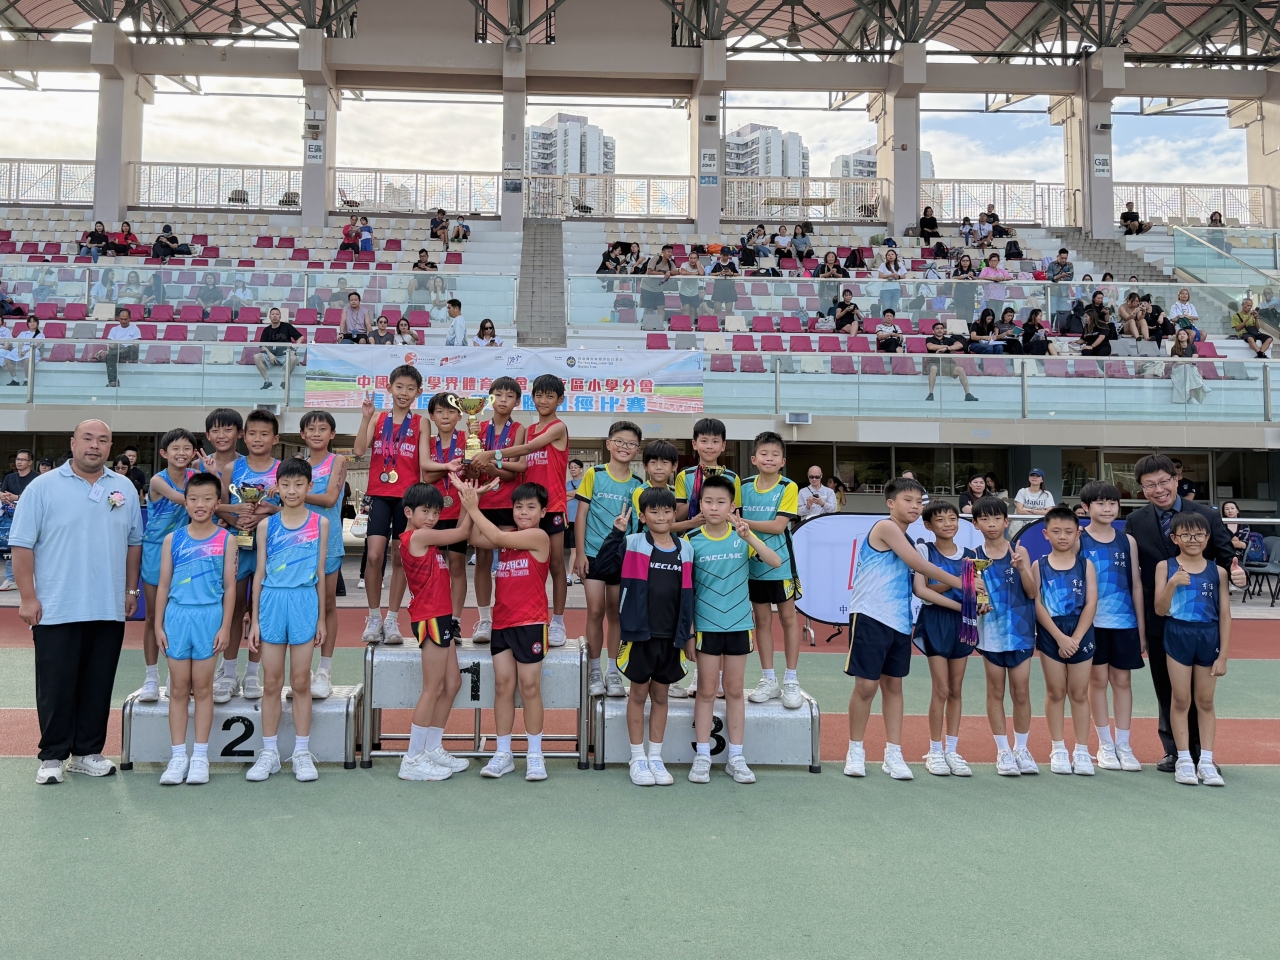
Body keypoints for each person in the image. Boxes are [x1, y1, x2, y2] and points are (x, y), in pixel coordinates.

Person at [12, 420, 143, 784]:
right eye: (87, 438)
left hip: (107, 606)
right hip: (57, 606)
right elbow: (21, 545)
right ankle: (52, 755)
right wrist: (27, 598)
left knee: (98, 684)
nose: (94, 446)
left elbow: (134, 543)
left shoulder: (124, 488)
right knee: (56, 685)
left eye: (103, 440)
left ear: (110, 447)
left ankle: (87, 752)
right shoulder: (42, 487)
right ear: (73, 443)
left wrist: (130, 591)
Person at [1124, 454, 1244, 772]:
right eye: (1149, 485)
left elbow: (1226, 556)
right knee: (1167, 687)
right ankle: (1175, 751)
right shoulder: (1135, 521)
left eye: (1164, 481)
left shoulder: (1205, 515)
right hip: (1158, 615)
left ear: (1176, 479)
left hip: (1200, 618)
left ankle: (1201, 753)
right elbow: (1133, 571)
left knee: (1200, 692)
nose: (1158, 489)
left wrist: (1237, 573)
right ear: (1141, 489)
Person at [843, 477, 964, 781]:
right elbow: (920, 566)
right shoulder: (885, 528)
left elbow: (921, 586)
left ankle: (893, 753)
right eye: (908, 500)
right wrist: (961, 582)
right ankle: (855, 750)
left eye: (919, 502)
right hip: (870, 615)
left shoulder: (909, 540)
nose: (914, 506)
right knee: (866, 686)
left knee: (894, 687)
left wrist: (967, 591)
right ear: (891, 503)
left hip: (899, 620)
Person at [592, 488, 692, 786]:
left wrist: (688, 633)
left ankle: (656, 758)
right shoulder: (632, 542)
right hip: (640, 634)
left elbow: (690, 593)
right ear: (643, 516)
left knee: (661, 696)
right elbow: (602, 567)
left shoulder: (686, 548)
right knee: (637, 695)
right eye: (654, 512)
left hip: (671, 637)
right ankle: (637, 758)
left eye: (667, 511)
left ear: (674, 514)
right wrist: (616, 534)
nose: (661, 516)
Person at [688, 475, 781, 784]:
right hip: (706, 626)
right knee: (706, 690)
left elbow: (775, 561)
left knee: (735, 690)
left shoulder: (742, 536)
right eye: (708, 502)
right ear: (700, 505)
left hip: (739, 625)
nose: (714, 507)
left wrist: (749, 537)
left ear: (732, 506)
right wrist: (690, 631)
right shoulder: (691, 540)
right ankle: (703, 755)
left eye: (721, 502)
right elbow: (685, 590)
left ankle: (736, 757)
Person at [460, 479, 553, 782]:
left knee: (529, 687)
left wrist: (474, 507)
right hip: (502, 623)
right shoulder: (508, 536)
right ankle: (503, 752)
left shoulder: (539, 536)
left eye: (531, 507)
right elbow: (473, 535)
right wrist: (473, 500)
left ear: (543, 512)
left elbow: (494, 535)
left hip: (530, 623)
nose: (523, 512)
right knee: (502, 686)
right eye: (518, 507)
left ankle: (535, 754)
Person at [470, 374, 572, 647]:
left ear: (560, 400)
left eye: (550, 396)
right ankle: (513, 617)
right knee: (523, 566)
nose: (543, 400)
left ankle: (558, 622)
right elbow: (522, 465)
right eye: (539, 395)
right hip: (527, 508)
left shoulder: (558, 428)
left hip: (553, 506)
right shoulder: (529, 428)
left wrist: (492, 455)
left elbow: (527, 449)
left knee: (555, 564)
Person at [244, 457, 327, 783]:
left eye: (299, 484)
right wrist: (255, 620)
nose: (292, 491)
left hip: (304, 602)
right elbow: (259, 574)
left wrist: (321, 620)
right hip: (272, 602)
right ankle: (269, 753)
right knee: (272, 682)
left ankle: (302, 752)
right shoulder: (267, 526)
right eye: (286, 484)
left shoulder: (320, 523)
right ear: (276, 487)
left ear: (309, 486)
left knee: (301, 680)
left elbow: (320, 574)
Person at [150, 469, 235, 786]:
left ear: (216, 503)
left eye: (207, 498)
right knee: (178, 688)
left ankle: (200, 757)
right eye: (194, 498)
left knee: (202, 688)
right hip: (177, 617)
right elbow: (163, 585)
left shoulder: (226, 539)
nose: (200, 504)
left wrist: (225, 627)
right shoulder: (172, 539)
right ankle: (178, 757)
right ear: (185, 502)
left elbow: (230, 587)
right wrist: (158, 625)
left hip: (208, 618)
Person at [396, 482, 475, 782]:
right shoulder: (418, 536)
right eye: (425, 511)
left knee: (452, 683)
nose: (431, 517)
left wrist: (468, 501)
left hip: (440, 617)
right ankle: (413, 758)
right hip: (430, 617)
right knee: (432, 688)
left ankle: (432, 748)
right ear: (409, 512)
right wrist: (471, 502)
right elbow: (462, 533)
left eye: (436, 512)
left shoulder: (423, 537)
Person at [1153, 511, 1231, 787]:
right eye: (1186, 535)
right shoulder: (1165, 567)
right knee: (1180, 699)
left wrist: (1223, 655)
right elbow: (1159, 609)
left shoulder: (1217, 572)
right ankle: (1184, 758)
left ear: (1207, 538)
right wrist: (1173, 584)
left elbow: (1225, 615)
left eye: (1199, 534)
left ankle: (1206, 761)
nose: (1193, 539)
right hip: (1178, 633)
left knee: (1205, 701)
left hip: (1208, 636)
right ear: (1175, 538)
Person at [212, 409, 281, 701]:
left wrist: (265, 516)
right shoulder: (232, 469)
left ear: (275, 439)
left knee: (261, 610)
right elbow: (219, 507)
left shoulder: (282, 469)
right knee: (234, 606)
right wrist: (236, 520)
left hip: (270, 548)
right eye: (252, 433)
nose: (257, 439)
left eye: (264, 434)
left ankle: (253, 674)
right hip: (237, 546)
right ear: (244, 436)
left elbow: (291, 508)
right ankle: (229, 673)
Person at [352, 367, 423, 645]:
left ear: (418, 392)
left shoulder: (421, 423)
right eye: (399, 387)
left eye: (410, 388)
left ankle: (392, 618)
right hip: (380, 494)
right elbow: (359, 451)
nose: (404, 393)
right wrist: (364, 417)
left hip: (407, 498)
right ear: (389, 388)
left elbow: (423, 464)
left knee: (400, 558)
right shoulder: (378, 418)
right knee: (374, 556)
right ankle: (373, 617)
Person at [1078, 481, 1145, 773]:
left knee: (1122, 681)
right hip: (1091, 623)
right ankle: (1105, 744)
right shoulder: (1079, 539)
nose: (1108, 508)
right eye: (1100, 503)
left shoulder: (1127, 541)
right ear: (1085, 507)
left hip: (1124, 622)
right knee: (1097, 682)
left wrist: (1140, 628)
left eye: (1113, 503)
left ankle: (1124, 745)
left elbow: (1136, 584)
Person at [574, 421, 645, 698]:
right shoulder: (595, 473)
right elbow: (581, 514)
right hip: (593, 554)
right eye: (620, 441)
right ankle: (595, 668)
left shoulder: (638, 484)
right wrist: (579, 553)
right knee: (595, 611)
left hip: (621, 558)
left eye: (631, 444)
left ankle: (613, 670)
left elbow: (637, 527)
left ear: (637, 449)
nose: (625, 447)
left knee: (616, 612)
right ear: (609, 444)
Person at [971, 496, 1039, 776]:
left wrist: (1021, 568)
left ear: (1006, 521)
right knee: (996, 691)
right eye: (984, 519)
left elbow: (1032, 593)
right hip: (990, 634)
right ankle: (1003, 751)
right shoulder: (973, 557)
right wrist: (976, 599)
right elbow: (973, 598)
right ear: (975, 524)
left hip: (1021, 633)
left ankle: (1021, 748)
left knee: (1021, 691)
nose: (991, 524)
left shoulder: (1020, 552)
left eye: (997, 518)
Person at [911, 500, 976, 777]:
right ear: (928, 525)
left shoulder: (971, 555)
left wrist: (978, 602)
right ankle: (935, 750)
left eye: (952, 518)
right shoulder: (924, 550)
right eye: (940, 520)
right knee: (941, 688)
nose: (948, 524)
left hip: (962, 623)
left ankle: (952, 750)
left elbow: (973, 590)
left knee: (956, 689)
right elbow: (921, 590)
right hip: (936, 620)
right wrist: (956, 585)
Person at [1033, 505, 1099, 776]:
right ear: (1045, 534)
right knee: (1056, 691)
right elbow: (1037, 602)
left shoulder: (1086, 565)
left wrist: (1076, 638)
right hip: (1052, 632)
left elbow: (1091, 602)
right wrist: (1060, 637)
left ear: (1078, 534)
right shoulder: (1039, 565)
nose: (1063, 536)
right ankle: (1058, 748)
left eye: (1069, 531)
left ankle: (1082, 750)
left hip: (1080, 631)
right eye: (1057, 531)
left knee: (1079, 693)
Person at [741, 432, 804, 710]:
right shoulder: (743, 486)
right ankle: (769, 679)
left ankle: (791, 679)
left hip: (781, 567)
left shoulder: (788, 486)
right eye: (764, 454)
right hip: (752, 566)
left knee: (789, 619)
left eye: (775, 455)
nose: (769, 458)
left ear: (783, 462)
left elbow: (779, 526)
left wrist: (743, 522)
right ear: (754, 459)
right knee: (761, 621)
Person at [138, 428, 201, 703]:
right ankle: (151, 676)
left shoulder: (196, 476)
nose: (181, 453)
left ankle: (176, 674)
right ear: (164, 453)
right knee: (155, 616)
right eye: (176, 448)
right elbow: (186, 500)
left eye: (187, 448)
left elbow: (211, 498)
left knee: (181, 614)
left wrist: (210, 474)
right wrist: (228, 507)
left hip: (186, 550)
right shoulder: (157, 480)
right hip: (155, 550)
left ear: (194, 452)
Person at [469, 378, 528, 646]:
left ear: (517, 401)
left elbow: (517, 469)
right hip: (483, 502)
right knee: (482, 560)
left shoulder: (519, 429)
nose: (503, 400)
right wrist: (474, 467)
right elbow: (471, 468)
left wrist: (494, 468)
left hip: (507, 502)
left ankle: (508, 615)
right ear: (490, 399)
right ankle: (484, 619)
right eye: (498, 395)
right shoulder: (477, 427)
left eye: (509, 396)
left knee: (508, 563)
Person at [300, 411, 347, 700]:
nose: (316, 433)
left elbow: (330, 499)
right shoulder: (297, 465)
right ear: (302, 434)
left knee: (327, 603)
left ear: (332, 434)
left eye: (322, 429)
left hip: (328, 541)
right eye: (311, 429)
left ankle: (324, 670)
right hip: (298, 542)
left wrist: (292, 492)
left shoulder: (338, 461)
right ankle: (302, 669)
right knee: (303, 603)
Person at [0, 448, 36, 590]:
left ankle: (34, 578)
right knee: (12, 546)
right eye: (17, 459)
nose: (18, 462)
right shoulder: (10, 477)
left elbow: (37, 497)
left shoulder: (37, 478)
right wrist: (3, 496)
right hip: (11, 518)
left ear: (30, 462)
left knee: (32, 548)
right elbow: (3, 492)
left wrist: (17, 498)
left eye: (22, 459)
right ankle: (10, 578)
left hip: (31, 517)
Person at [924, 321, 977, 402]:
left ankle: (968, 394)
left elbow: (960, 345)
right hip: (934, 362)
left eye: (941, 328)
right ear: (933, 331)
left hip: (948, 363)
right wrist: (946, 346)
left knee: (961, 370)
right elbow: (930, 347)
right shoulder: (929, 339)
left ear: (943, 330)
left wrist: (947, 348)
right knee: (933, 368)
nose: (939, 330)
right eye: (937, 329)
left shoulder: (949, 340)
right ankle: (930, 394)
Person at [254, 307, 301, 390]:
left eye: (277, 314)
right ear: (270, 317)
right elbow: (262, 345)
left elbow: (301, 337)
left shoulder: (287, 326)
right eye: (273, 314)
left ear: (280, 316)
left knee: (294, 358)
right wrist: (269, 354)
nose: (275, 316)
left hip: (285, 355)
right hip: (271, 356)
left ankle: (284, 382)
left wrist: (294, 350)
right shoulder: (266, 330)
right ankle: (267, 382)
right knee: (256, 357)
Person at [105, 307, 140, 388]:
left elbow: (136, 345)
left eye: (125, 319)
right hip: (117, 351)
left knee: (132, 348)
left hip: (130, 352)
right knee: (110, 355)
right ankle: (113, 381)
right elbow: (110, 344)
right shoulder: (114, 329)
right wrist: (117, 346)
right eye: (121, 319)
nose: (123, 321)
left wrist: (122, 348)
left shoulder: (135, 329)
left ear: (130, 319)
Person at [565, 458, 584, 584]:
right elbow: (562, 497)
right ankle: (571, 576)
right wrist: (576, 494)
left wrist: (570, 495)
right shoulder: (567, 484)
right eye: (571, 467)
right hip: (570, 521)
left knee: (582, 550)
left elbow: (582, 493)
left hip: (583, 521)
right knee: (574, 549)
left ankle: (577, 576)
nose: (573, 469)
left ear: (581, 469)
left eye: (575, 467)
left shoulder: (585, 482)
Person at [709, 250, 740, 317]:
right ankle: (716, 323)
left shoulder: (732, 263)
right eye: (724, 255)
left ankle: (729, 324)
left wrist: (731, 273)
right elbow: (710, 274)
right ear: (721, 255)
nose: (725, 257)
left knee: (729, 310)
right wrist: (719, 273)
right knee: (717, 309)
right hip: (718, 288)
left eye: (727, 255)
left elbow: (738, 274)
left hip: (730, 288)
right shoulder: (716, 263)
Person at [877, 249, 907, 313]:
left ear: (895, 256)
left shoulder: (900, 264)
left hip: (896, 289)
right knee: (885, 308)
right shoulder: (883, 265)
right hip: (885, 289)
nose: (890, 256)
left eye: (892, 254)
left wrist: (898, 277)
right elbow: (880, 276)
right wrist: (890, 275)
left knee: (893, 308)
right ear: (886, 257)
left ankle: (892, 320)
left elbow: (904, 276)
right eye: (888, 255)